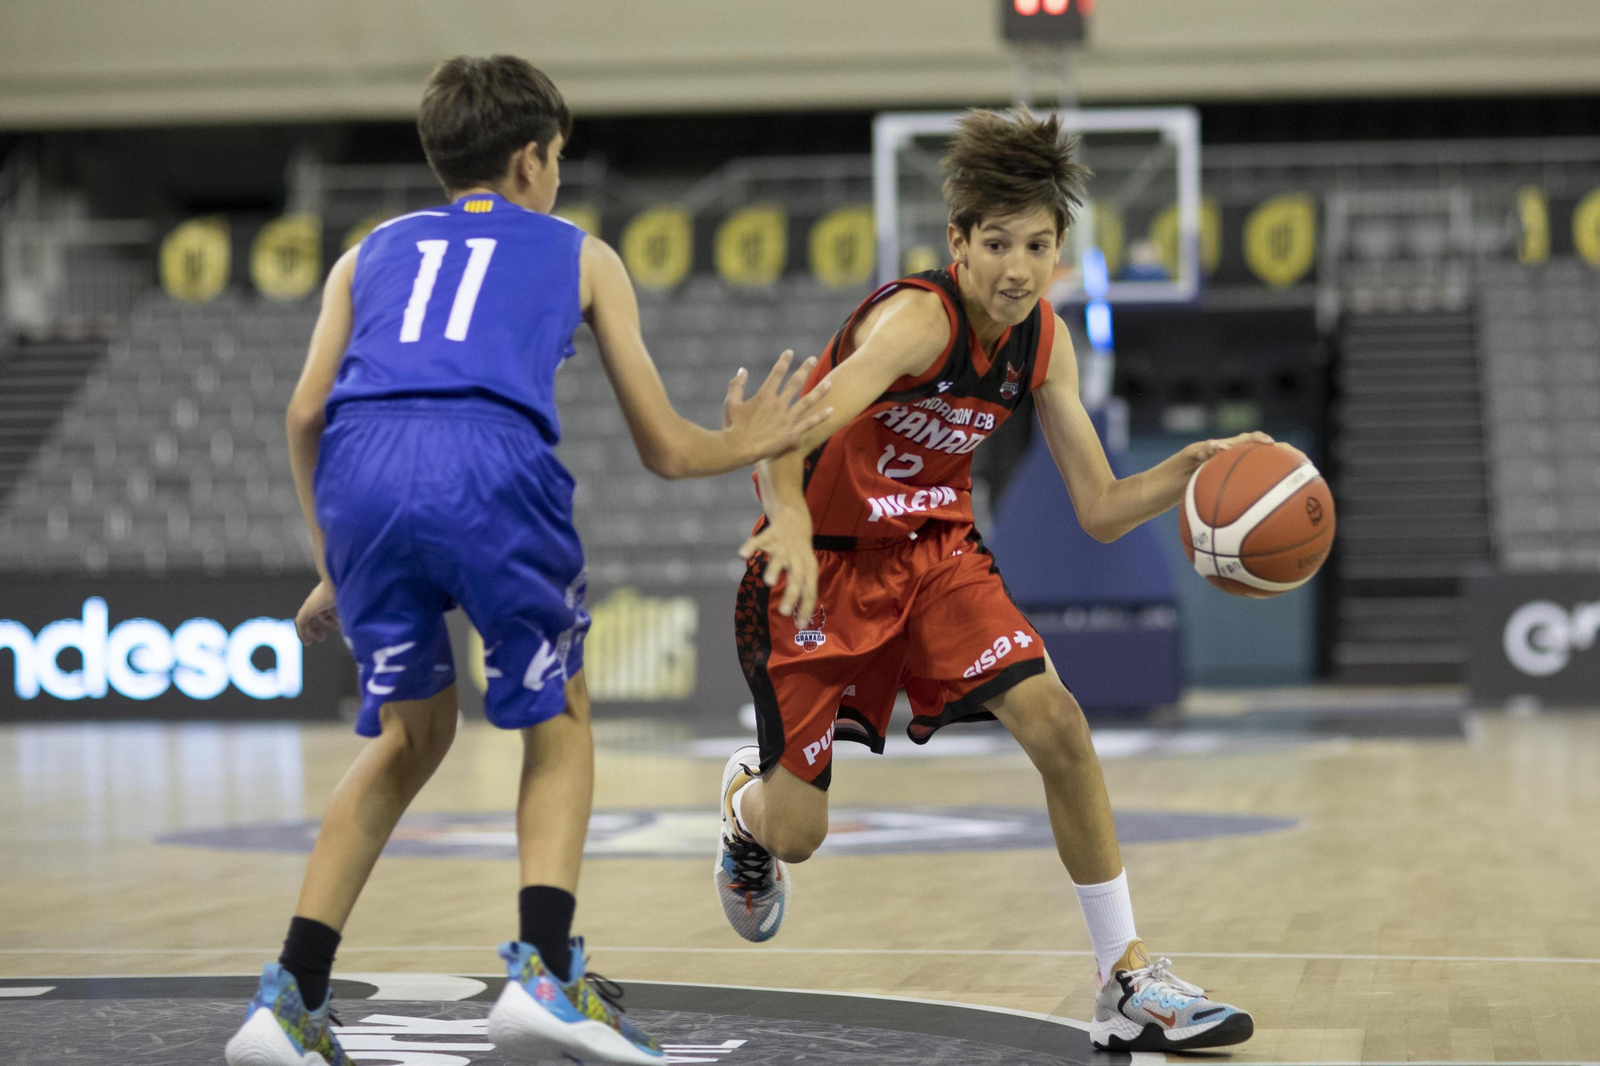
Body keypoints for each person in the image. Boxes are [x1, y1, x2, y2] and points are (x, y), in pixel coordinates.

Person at [224, 55, 830, 1066]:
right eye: (556, 157)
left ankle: (287, 1001)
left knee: (408, 740)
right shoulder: (578, 252)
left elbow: (302, 412)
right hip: (487, 468)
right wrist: (760, 439)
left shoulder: (365, 251)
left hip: (360, 478)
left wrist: (335, 561)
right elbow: (667, 449)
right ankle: (543, 974)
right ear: (529, 159)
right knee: (560, 722)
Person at [714, 107, 1260, 1053]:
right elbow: (793, 428)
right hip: (823, 566)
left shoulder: (1044, 342)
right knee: (798, 832)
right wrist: (791, 518)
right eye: (997, 242)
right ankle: (741, 806)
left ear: (1060, 250)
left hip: (935, 560)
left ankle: (1123, 979)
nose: (1017, 266)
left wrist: (1192, 472)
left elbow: (1097, 506)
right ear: (957, 243)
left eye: (1038, 245)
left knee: (1058, 721)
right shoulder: (912, 324)